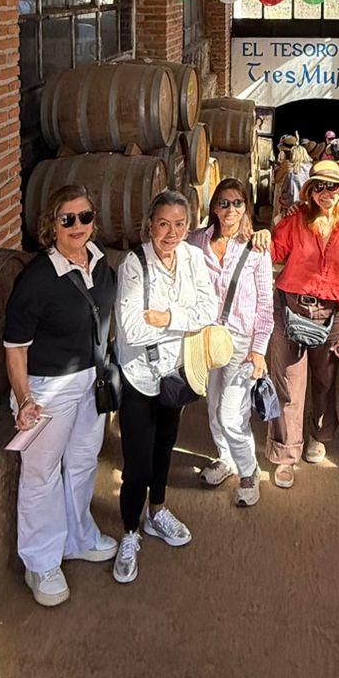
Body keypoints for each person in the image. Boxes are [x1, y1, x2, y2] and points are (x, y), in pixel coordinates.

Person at [4, 184, 118, 608]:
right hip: (48, 388)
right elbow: (15, 348)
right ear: (51, 225)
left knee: (84, 461)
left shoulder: (100, 263)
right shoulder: (36, 279)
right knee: (42, 473)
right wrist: (24, 398)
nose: (77, 225)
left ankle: (77, 537)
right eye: (67, 219)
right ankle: (40, 562)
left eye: (85, 217)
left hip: (91, 381)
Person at [113, 190, 218, 584]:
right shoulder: (134, 265)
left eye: (179, 224)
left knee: (164, 449)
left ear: (188, 227)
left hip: (175, 372)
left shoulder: (192, 257)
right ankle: (130, 531)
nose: (171, 233)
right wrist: (183, 320)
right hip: (139, 375)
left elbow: (210, 309)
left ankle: (157, 512)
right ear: (150, 226)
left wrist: (167, 317)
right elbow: (132, 329)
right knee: (137, 463)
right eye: (163, 224)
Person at [266, 159, 339, 490]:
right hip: (291, 307)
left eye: (331, 187)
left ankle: (319, 435)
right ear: (309, 191)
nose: (325, 193)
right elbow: (274, 252)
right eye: (318, 186)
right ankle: (285, 453)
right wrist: (270, 229)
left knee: (324, 381)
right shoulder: (296, 220)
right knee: (289, 384)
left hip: (331, 315)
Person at [189, 179, 274, 507]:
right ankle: (225, 458)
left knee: (231, 412)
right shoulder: (198, 241)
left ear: (246, 207)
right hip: (208, 338)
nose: (230, 210)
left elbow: (265, 305)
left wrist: (259, 350)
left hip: (241, 340)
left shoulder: (256, 248)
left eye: (237, 203)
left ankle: (249, 471)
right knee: (213, 404)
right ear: (214, 206)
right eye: (224, 203)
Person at [273, 141, 312, 224]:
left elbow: (277, 180)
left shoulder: (288, 167)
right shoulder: (310, 169)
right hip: (305, 204)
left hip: (289, 205)